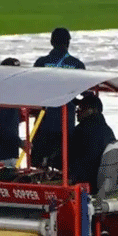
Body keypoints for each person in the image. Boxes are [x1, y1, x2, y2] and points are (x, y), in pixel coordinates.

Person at [31, 27, 85, 170]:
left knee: (39, 167)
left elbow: (32, 90)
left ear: (51, 42)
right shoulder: (77, 65)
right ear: (68, 42)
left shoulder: (41, 63)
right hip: (66, 124)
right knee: (63, 167)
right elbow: (85, 93)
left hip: (43, 122)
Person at [0, 57, 30, 170]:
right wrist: (21, 143)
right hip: (0, 156)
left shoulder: (9, 93)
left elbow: (7, 121)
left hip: (9, 153)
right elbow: (2, 127)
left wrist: (20, 116)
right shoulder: (1, 94)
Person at [68, 92, 116, 194]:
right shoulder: (108, 130)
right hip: (104, 183)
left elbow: (67, 157)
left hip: (87, 185)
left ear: (91, 111)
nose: (76, 111)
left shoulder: (80, 131)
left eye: (80, 108)